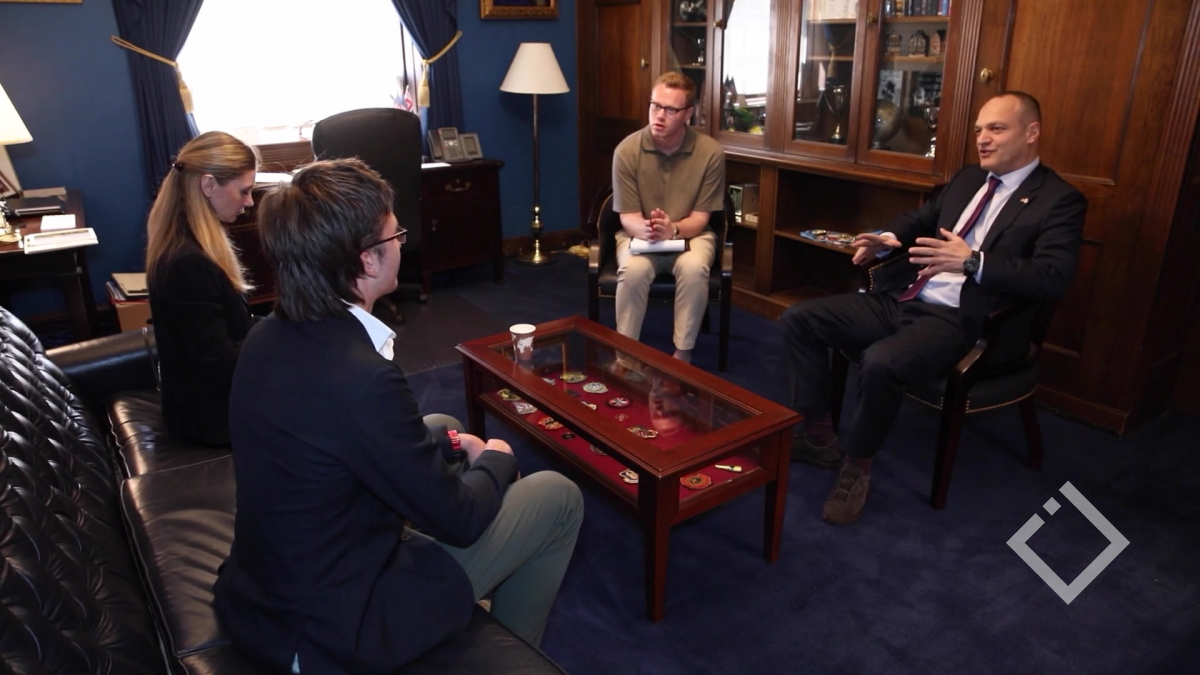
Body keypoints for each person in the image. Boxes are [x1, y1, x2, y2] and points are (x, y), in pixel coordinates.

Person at [213, 158, 584, 675]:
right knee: (558, 496)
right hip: (329, 632)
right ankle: (513, 662)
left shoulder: (266, 335)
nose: (402, 244)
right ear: (366, 260)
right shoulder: (362, 378)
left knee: (444, 427)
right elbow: (460, 519)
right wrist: (497, 458)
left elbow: (347, 443)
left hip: (263, 598)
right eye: (397, 234)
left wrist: (454, 447)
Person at [781, 92, 1087, 525]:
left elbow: (1052, 277)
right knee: (800, 319)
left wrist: (973, 261)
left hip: (961, 318)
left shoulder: (1058, 200)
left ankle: (857, 464)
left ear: (1032, 133)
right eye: (979, 130)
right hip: (906, 296)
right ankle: (818, 437)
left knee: (880, 361)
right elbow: (922, 218)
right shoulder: (968, 178)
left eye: (996, 129)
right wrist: (888, 237)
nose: (983, 139)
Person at [146, 131, 258, 446]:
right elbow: (220, 363)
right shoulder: (188, 264)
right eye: (244, 191)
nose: (249, 202)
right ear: (208, 185)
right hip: (212, 419)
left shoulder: (186, 242)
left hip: (208, 404)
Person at [612, 71, 726, 363]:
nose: (659, 116)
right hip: (641, 233)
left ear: (688, 113)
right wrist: (652, 230)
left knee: (694, 268)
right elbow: (628, 217)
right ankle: (625, 357)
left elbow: (701, 218)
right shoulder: (626, 150)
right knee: (633, 271)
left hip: (690, 233)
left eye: (670, 110)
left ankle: (682, 355)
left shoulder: (710, 152)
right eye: (655, 106)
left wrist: (672, 230)